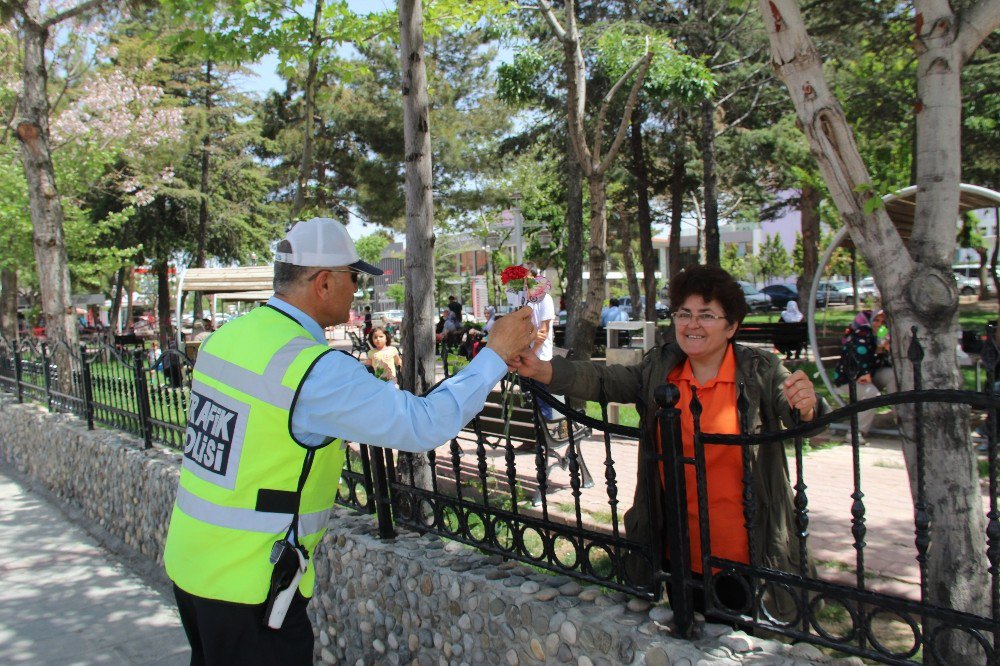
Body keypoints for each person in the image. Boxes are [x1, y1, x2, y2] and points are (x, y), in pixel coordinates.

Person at [162, 217, 537, 664]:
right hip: (251, 587)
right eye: (353, 278)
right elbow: (423, 425)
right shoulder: (311, 369)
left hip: (192, 565)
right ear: (323, 282)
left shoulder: (229, 337)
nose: (357, 290)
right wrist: (493, 356)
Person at [510, 264, 825, 616]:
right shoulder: (662, 368)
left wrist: (807, 406)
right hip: (680, 554)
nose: (692, 324)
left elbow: (800, 418)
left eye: (707, 315)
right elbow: (605, 380)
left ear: (731, 326)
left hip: (751, 555)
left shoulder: (760, 370)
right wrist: (543, 369)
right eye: (684, 313)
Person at [831, 309, 896, 443]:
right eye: (877, 320)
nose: (879, 324)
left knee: (892, 375)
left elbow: (883, 362)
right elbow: (859, 358)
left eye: (883, 322)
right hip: (849, 378)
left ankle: (901, 417)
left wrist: (885, 349)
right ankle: (855, 432)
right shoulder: (863, 333)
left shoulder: (882, 335)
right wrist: (864, 372)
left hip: (870, 375)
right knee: (871, 395)